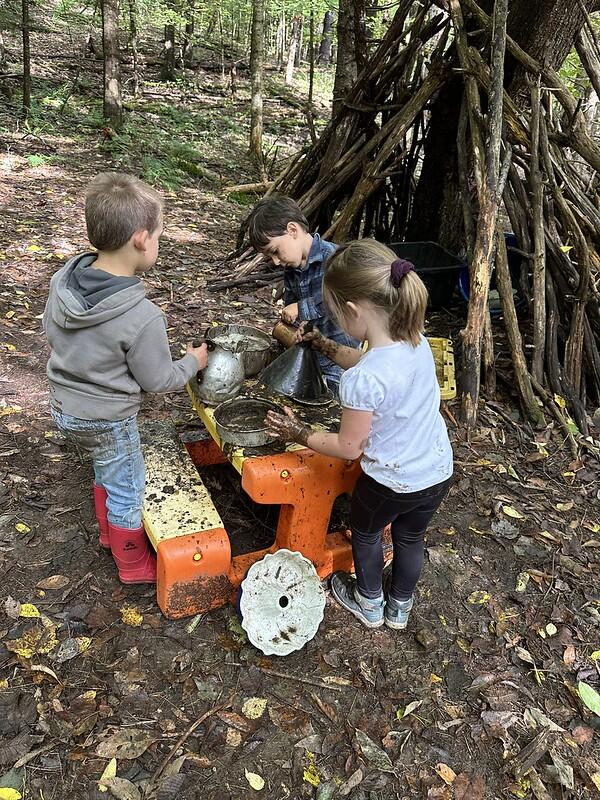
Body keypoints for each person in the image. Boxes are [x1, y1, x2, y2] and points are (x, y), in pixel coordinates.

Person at [265, 239, 453, 630]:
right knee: (410, 538)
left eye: (337, 315)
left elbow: (349, 447)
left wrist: (298, 430)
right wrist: (324, 344)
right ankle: (399, 608)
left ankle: (369, 603)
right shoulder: (415, 343)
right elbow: (367, 360)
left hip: (389, 481)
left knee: (365, 533)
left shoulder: (363, 380)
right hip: (435, 472)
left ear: (352, 310)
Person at [43, 172, 208, 585]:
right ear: (140, 239)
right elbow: (157, 379)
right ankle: (133, 564)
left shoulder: (63, 283)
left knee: (105, 468)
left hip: (64, 409)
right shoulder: (141, 316)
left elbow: (51, 332)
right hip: (108, 419)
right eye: (158, 237)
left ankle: (106, 534)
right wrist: (192, 362)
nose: (157, 244)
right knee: (127, 486)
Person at [245, 195, 360, 394]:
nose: (276, 262)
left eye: (275, 251)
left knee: (333, 402)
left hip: (342, 360)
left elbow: (342, 300)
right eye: (270, 257)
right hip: (313, 356)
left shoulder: (333, 259)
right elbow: (296, 312)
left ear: (292, 230)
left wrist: (300, 307)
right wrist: (298, 328)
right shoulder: (292, 269)